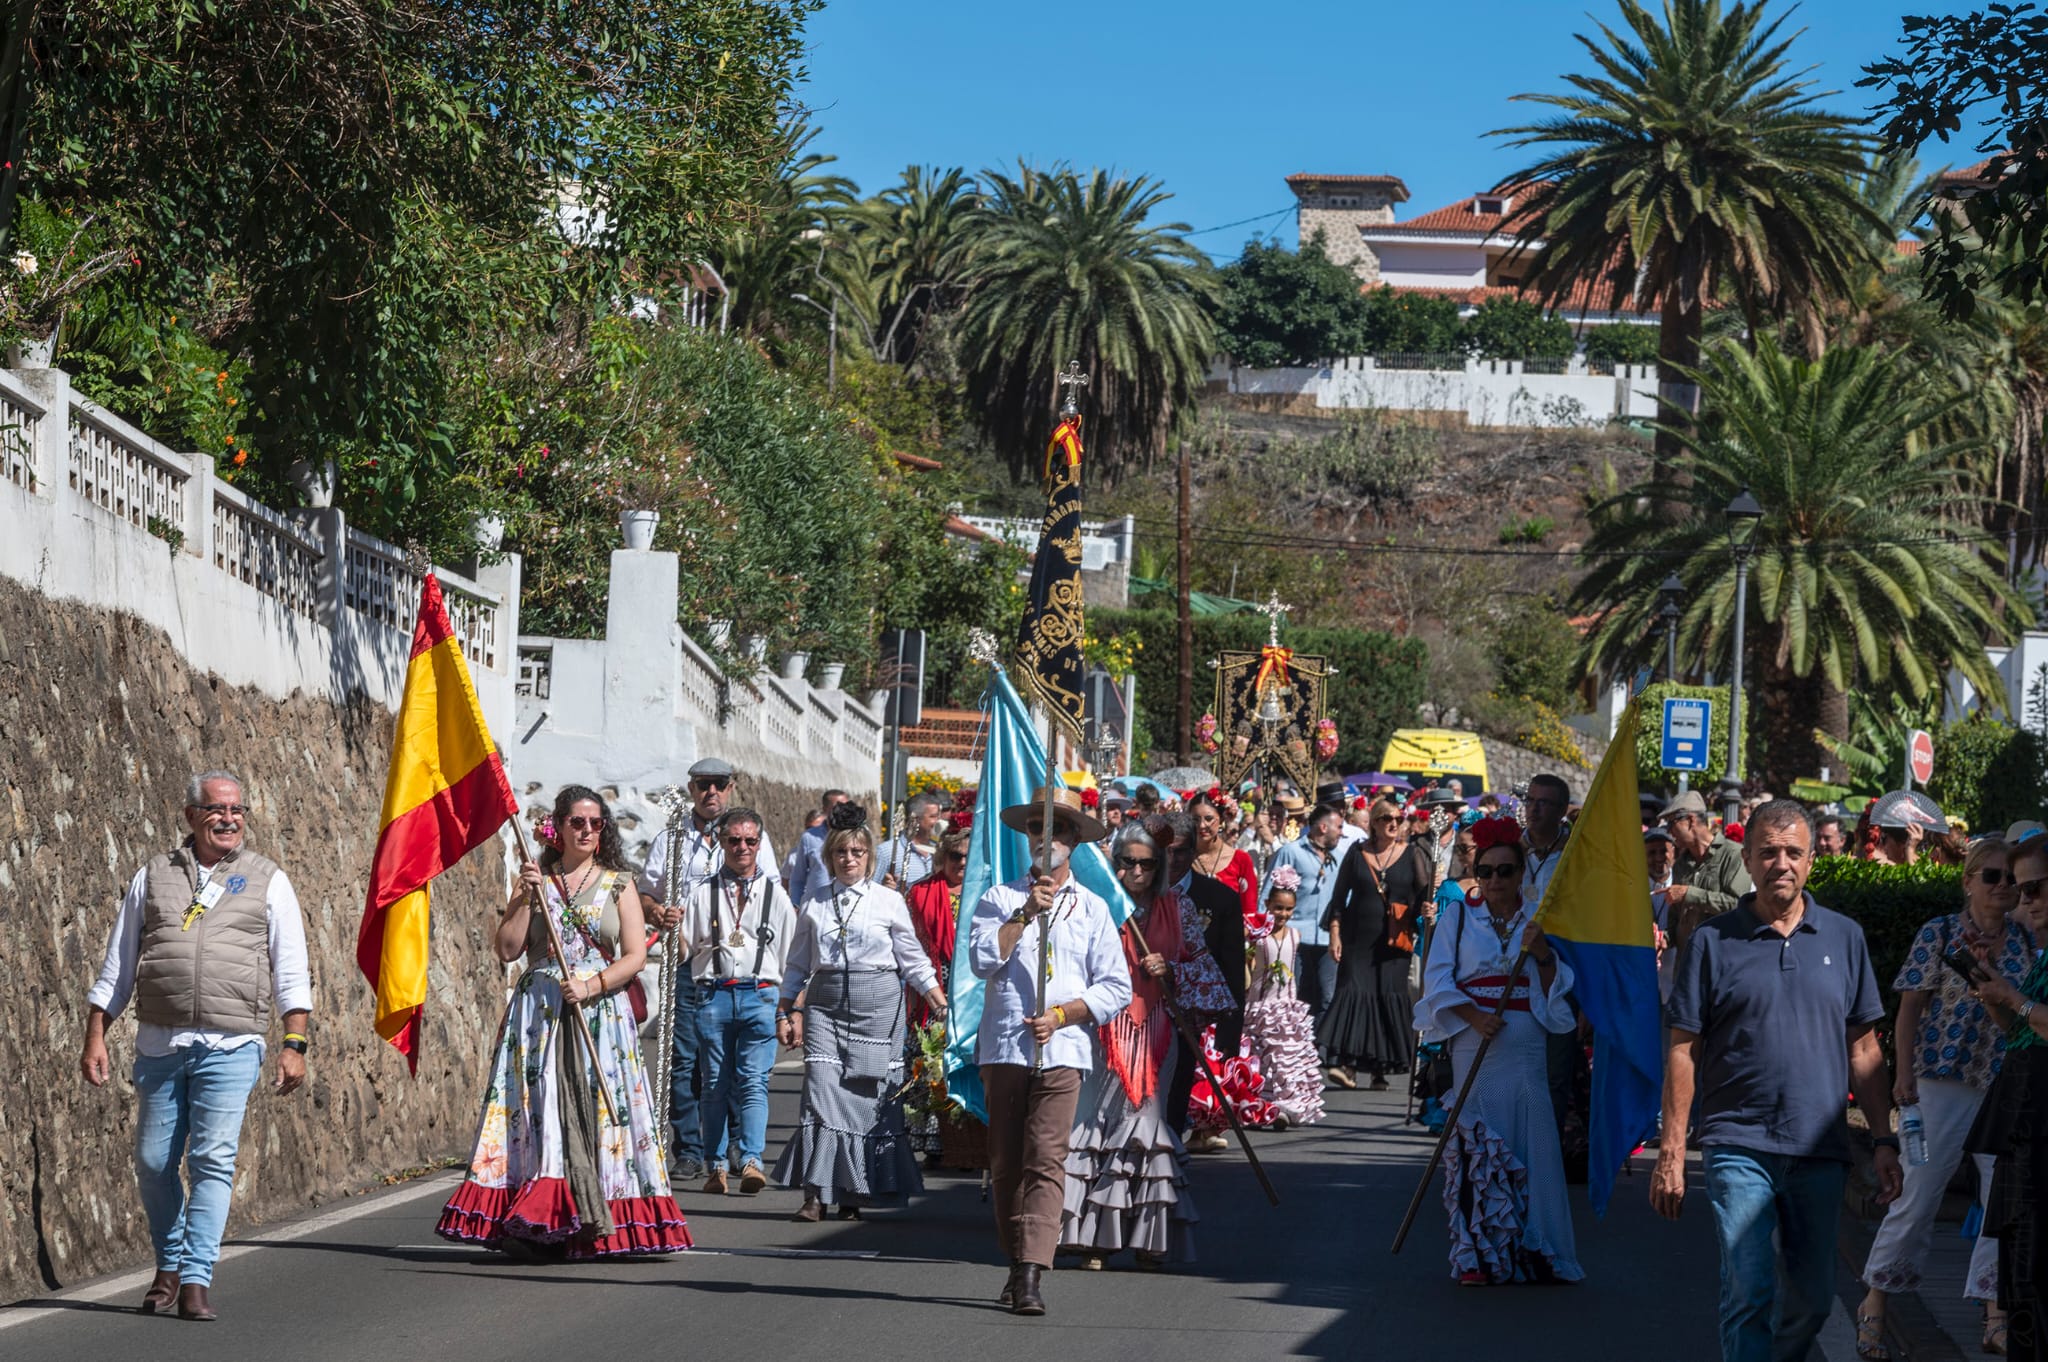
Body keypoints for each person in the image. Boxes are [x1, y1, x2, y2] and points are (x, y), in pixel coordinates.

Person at [1656, 799, 1903, 1362]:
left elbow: (1864, 1048)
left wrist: (1884, 1140)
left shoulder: (1843, 938)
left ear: (1812, 860)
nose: (1781, 863)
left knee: (1814, 1302)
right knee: (1750, 1289)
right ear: (1747, 858)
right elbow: (1683, 1049)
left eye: (1793, 852)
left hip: (1819, 1149)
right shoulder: (1713, 943)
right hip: (1737, 1143)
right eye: (1768, 852)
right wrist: (1672, 1149)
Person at [81, 771, 312, 1321]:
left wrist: (293, 1041)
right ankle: (170, 1260)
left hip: (231, 1045)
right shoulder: (154, 877)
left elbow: (291, 967)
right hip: (161, 1042)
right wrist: (96, 1032)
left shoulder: (266, 879)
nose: (229, 819)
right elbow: (119, 962)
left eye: (237, 810)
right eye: (216, 809)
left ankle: (195, 1280)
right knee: (153, 1161)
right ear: (190, 816)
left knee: (212, 1160)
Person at [438, 785, 690, 1260]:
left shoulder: (619, 883)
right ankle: (540, 1212)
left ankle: (598, 1211)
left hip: (599, 1016)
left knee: (596, 1109)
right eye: (578, 822)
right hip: (541, 1015)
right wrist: (521, 899)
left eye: (597, 824)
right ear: (558, 827)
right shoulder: (537, 882)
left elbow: (635, 956)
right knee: (543, 1109)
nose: (589, 831)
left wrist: (592, 986)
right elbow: (508, 950)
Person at [1856, 836, 2033, 1359]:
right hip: (1940, 1080)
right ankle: (1874, 1304)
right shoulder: (1939, 933)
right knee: (1919, 1194)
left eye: (2012, 880)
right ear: (1968, 880)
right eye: (1993, 876)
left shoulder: (2025, 943)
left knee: (2003, 1196)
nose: (2004, 887)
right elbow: (1910, 1009)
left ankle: (1994, 1312)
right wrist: (1902, 1075)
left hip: (2004, 1084)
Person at [969, 785, 1133, 1317]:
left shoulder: (1092, 908)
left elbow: (1115, 986)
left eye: (1058, 830)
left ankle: (1033, 1271)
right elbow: (980, 961)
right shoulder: (998, 898)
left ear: (1074, 842)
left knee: (1047, 1158)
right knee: (1006, 1161)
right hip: (1005, 1049)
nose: (1048, 838)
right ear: (1028, 837)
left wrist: (1065, 1014)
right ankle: (1016, 1260)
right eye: (1039, 829)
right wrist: (1022, 913)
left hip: (1062, 1051)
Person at [1416, 815, 1583, 1284]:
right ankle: (1477, 1255)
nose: (1494, 880)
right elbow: (1438, 978)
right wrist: (1471, 1016)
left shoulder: (1538, 923)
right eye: (1486, 871)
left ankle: (1536, 1248)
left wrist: (1544, 954)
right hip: (1475, 1041)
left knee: (1529, 1141)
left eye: (1505, 871)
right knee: (1477, 1143)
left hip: (1525, 1040)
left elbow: (1557, 993)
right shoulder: (1458, 917)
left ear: (1520, 873)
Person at [775, 811, 946, 1222]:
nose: (849, 859)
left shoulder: (888, 901)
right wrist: (786, 1009)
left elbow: (913, 960)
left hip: (878, 1004)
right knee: (819, 1093)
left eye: (858, 852)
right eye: (841, 852)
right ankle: (816, 1194)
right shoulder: (815, 901)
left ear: (869, 857)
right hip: (826, 1002)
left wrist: (938, 1002)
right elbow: (798, 964)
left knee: (868, 1100)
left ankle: (853, 1193)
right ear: (829, 857)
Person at [1058, 823, 1200, 1270]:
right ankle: (1094, 1242)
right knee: (1096, 1123)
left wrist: (1171, 969)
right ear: (1113, 863)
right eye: (1127, 861)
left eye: (1146, 863)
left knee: (1145, 1127)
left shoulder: (1179, 907)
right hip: (1103, 1028)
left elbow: (1205, 974)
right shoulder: (1094, 904)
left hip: (1156, 1028)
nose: (1135, 871)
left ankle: (1148, 1238)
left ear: (1159, 867)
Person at [639, 756, 773, 1179]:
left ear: (730, 787)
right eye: (702, 785)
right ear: (692, 789)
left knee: (732, 1056)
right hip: (686, 958)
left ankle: (732, 1144)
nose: (710, 792)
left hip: (734, 962)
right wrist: (659, 911)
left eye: (718, 784)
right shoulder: (671, 839)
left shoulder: (749, 837)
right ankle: (690, 1148)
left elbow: (770, 891)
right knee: (684, 1057)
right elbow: (645, 893)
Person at [679, 809, 797, 1199]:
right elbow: (685, 948)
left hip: (759, 994)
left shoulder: (775, 895)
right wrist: (667, 927)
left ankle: (751, 1160)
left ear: (759, 845)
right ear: (723, 844)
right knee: (713, 1084)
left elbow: (789, 956)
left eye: (749, 841)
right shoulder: (701, 893)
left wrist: (786, 1009)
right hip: (713, 993)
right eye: (733, 840)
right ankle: (715, 1164)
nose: (741, 847)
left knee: (754, 1082)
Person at [1966, 834, 2048, 1362]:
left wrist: (2014, 1000)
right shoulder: (2041, 956)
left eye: (2037, 889)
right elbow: (2021, 1029)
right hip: (2023, 1120)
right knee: (2021, 1272)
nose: (2026, 902)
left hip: (2040, 1129)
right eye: (2022, 891)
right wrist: (1995, 994)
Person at [1321, 797, 1432, 1091]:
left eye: (1397, 818)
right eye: (1386, 819)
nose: (1393, 823)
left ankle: (1380, 1069)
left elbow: (1423, 895)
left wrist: (1428, 908)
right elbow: (1339, 896)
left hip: (1394, 943)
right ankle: (1348, 1064)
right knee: (1352, 993)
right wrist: (1334, 933)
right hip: (1357, 940)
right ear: (1374, 823)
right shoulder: (1357, 853)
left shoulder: (1412, 854)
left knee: (1385, 998)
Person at [1242, 868, 1326, 1129]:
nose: (1283, 915)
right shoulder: (1256, 934)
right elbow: (1246, 964)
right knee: (1261, 1058)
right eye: (1278, 908)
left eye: (1288, 910)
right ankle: (1257, 1106)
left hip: (1286, 1008)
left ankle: (1284, 1106)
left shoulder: (1294, 935)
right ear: (1267, 905)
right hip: (1259, 1004)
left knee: (1285, 1059)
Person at [1263, 805, 1346, 1035]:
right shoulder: (1291, 852)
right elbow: (1268, 895)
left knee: (1327, 996)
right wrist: (1266, 936)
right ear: (1323, 827)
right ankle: (1289, 1044)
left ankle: (1316, 1048)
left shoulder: (1339, 858)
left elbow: (1343, 899)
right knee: (1293, 994)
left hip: (1328, 940)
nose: (1341, 832)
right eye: (1338, 827)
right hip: (1294, 937)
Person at [1660, 789, 1753, 957]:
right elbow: (1676, 915)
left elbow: (1738, 905)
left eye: (1671, 823)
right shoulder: (1681, 864)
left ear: (1690, 820)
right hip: (1686, 965)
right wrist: (1664, 938)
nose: (1669, 832)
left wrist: (1690, 894)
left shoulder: (1732, 855)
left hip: (1720, 963)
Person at [906, 826, 971, 1030]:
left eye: (968, 857)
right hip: (931, 984)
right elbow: (907, 944)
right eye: (955, 856)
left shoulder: (987, 892)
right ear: (944, 856)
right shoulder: (920, 892)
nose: (962, 862)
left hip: (973, 983)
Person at [1187, 789, 1259, 925]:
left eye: (1209, 819)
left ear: (1221, 819)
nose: (1202, 825)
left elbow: (1249, 912)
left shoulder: (1241, 860)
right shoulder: (1181, 858)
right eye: (1195, 819)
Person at [783, 788, 852, 899]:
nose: (842, 811)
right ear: (825, 810)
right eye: (836, 807)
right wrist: (796, 904)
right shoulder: (809, 838)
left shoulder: (857, 835)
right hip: (817, 906)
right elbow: (797, 879)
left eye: (845, 807)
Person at [876, 791, 947, 889]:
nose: (938, 821)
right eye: (933, 816)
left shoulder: (939, 851)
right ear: (915, 818)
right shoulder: (886, 851)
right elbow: (870, 891)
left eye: (939, 816)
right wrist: (884, 889)